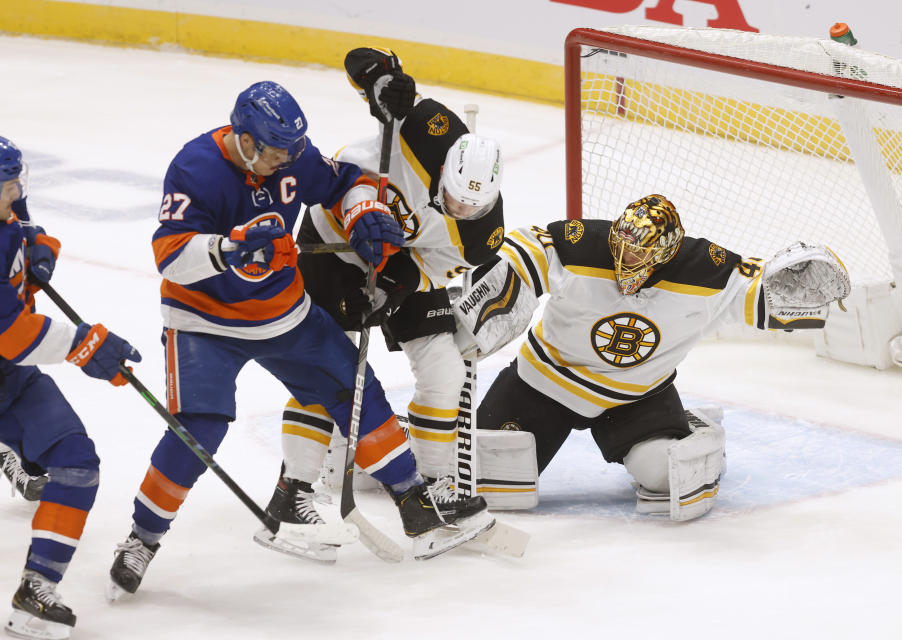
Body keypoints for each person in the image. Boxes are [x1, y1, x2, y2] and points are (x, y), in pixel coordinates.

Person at [107, 80, 492, 598]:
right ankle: (141, 539)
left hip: (285, 312)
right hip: (204, 322)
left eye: (292, 150)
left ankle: (412, 501)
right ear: (245, 139)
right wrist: (228, 249)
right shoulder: (196, 166)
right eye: (274, 151)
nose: (285, 160)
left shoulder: (290, 156)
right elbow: (170, 254)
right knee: (198, 431)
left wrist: (365, 215)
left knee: (354, 391)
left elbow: (345, 181)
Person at [451, 194, 851, 520]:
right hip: (542, 384)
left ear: (666, 253)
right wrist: (483, 301)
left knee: (666, 475)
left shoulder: (706, 271)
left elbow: (764, 294)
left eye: (638, 254)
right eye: (620, 247)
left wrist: (796, 287)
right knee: (488, 477)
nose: (625, 260)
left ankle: (696, 430)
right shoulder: (579, 244)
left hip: (635, 397)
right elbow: (527, 250)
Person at [257, 49, 506, 548]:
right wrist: (383, 82)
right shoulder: (431, 127)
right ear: (445, 166)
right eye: (452, 196)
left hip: (402, 263)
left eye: (469, 207)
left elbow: (430, 267)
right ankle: (293, 488)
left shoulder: (481, 236)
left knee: (444, 369)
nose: (457, 208)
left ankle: (436, 488)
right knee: (325, 369)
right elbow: (359, 62)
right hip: (333, 239)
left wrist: (390, 290)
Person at [0, 136, 142, 640]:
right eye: (8, 182)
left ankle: (36, 590)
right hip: (8, 362)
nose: (18, 189)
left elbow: (19, 216)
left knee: (76, 462)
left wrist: (33, 240)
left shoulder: (7, 207)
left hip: (9, 382)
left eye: (19, 179)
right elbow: (13, 336)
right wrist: (87, 345)